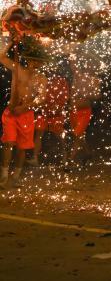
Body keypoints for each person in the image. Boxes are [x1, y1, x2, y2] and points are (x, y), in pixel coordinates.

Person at [0, 38, 49, 188]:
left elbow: (41, 99)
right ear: (28, 60)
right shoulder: (18, 69)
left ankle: (16, 175)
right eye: (33, 61)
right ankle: (3, 174)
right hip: (10, 112)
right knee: (8, 143)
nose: (35, 64)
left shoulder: (41, 79)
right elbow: (1, 57)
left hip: (26, 115)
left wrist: (26, 106)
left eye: (38, 62)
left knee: (22, 147)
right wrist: (10, 42)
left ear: (41, 63)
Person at [65, 53, 100, 169]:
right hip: (73, 110)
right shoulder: (79, 75)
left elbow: (97, 95)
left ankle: (69, 161)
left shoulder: (95, 80)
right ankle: (88, 153)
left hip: (85, 111)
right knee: (79, 136)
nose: (89, 66)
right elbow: (73, 66)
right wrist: (71, 53)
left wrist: (85, 94)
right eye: (88, 64)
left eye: (92, 65)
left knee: (77, 134)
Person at [30, 63, 68, 166]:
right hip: (43, 112)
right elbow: (36, 95)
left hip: (56, 113)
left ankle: (65, 157)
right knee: (38, 134)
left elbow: (64, 97)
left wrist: (57, 108)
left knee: (60, 135)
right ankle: (35, 158)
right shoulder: (41, 79)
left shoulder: (61, 80)